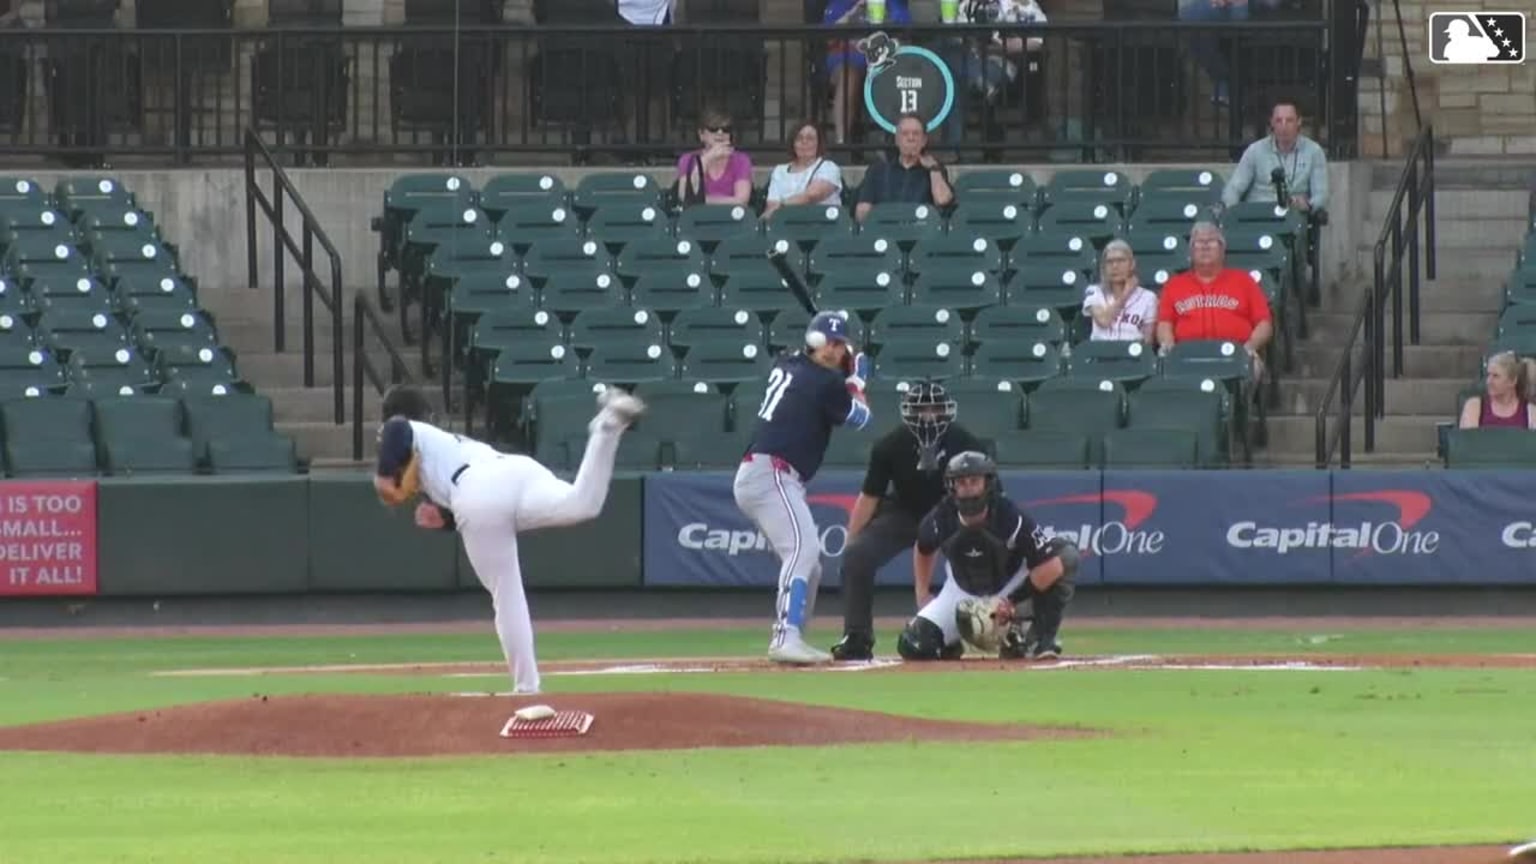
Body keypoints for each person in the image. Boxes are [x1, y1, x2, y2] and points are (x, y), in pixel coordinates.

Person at [372, 384, 646, 696]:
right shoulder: (443, 442)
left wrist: (383, 482)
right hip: (515, 470)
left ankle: (526, 686)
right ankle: (607, 427)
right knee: (582, 503)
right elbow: (474, 499)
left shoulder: (401, 427)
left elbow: (396, 430)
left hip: (477, 489)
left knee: (506, 593)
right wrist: (446, 518)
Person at [734, 310, 873, 665]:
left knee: (809, 564)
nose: (833, 349)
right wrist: (857, 380)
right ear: (814, 341)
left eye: (839, 344)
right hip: (772, 472)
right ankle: (785, 636)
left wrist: (844, 374)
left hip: (772, 474)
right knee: (804, 549)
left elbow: (820, 383)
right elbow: (861, 418)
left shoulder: (789, 362)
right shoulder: (825, 383)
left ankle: (793, 638)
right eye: (830, 342)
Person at [829, 381, 988, 661]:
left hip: (952, 513)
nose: (928, 416)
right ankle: (857, 636)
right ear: (908, 412)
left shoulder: (967, 443)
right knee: (857, 556)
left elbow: (987, 495)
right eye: (921, 409)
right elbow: (870, 497)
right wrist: (851, 545)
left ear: (947, 411)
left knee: (986, 558)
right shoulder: (890, 445)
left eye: (935, 409)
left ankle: (951, 632)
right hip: (904, 511)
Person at [896, 451, 1078, 662]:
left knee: (1067, 556)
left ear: (987, 484)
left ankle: (1038, 637)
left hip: (1009, 586)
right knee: (914, 645)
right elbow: (923, 547)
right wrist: (922, 593)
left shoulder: (1009, 515)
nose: (968, 488)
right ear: (952, 486)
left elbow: (1052, 566)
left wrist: (1009, 602)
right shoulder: (941, 517)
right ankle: (952, 642)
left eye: (974, 481)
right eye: (961, 482)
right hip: (960, 591)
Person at [1155, 221, 1272, 382]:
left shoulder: (1244, 281)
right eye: (1199, 242)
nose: (1205, 246)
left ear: (1223, 250)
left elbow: (1264, 323)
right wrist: (1169, 348)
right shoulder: (1174, 285)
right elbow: (1164, 324)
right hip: (1188, 358)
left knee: (1253, 368)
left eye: (1211, 241)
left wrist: (1250, 347)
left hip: (1235, 355)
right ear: (1190, 252)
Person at [1221, 97, 1330, 216]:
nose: (1284, 126)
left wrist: (1308, 205)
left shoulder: (1314, 151)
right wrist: (1233, 212)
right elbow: (1234, 188)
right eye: (1279, 121)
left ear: (1299, 121)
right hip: (1259, 216)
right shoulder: (1255, 151)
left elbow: (1321, 194)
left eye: (1289, 120)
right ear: (1272, 122)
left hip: (1295, 218)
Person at [855, 113, 955, 222]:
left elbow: (942, 200)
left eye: (916, 134)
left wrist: (934, 169)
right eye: (905, 134)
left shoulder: (935, 169)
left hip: (920, 233)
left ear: (924, 141)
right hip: (884, 232)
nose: (911, 138)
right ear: (896, 140)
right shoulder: (877, 171)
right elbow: (862, 212)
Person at [674, 106, 754, 207]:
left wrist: (702, 201)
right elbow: (686, 195)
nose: (720, 133)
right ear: (701, 134)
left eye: (726, 129)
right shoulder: (688, 160)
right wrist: (707, 159)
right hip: (697, 218)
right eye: (713, 129)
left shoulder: (741, 160)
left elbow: (741, 201)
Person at [762, 120, 844, 218]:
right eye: (799, 138)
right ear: (793, 144)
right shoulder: (779, 171)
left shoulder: (828, 167)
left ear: (819, 143)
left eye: (810, 138)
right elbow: (771, 205)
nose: (804, 142)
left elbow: (812, 195)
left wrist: (782, 206)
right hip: (785, 226)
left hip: (821, 225)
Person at [1082, 238, 1158, 343]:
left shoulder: (1148, 297)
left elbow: (1148, 341)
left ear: (1132, 264)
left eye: (1121, 260)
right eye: (1109, 262)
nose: (1115, 266)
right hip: (1100, 354)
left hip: (1131, 354)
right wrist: (1126, 294)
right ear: (1104, 267)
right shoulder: (1093, 292)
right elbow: (1104, 321)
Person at [1458, 351, 1536, 429]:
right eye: (1488, 375)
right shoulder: (1474, 406)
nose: (1488, 381)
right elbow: (1470, 439)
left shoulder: (1531, 412)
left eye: (1496, 376)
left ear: (1513, 381)